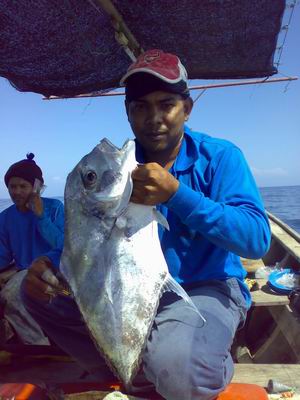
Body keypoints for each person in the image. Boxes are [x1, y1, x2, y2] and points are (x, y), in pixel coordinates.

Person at [22, 50, 271, 400]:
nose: (154, 118)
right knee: (34, 295)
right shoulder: (118, 167)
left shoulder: (220, 157)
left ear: (187, 108)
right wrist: (50, 262)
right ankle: (134, 370)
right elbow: (92, 237)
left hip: (205, 287)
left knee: (180, 370)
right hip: (125, 286)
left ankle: (186, 363)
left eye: (166, 104)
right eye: (140, 106)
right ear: (128, 112)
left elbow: (256, 239)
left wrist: (176, 194)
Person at [0, 153, 64, 345]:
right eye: (13, 186)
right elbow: (3, 255)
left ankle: (37, 346)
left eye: (23, 186)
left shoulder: (55, 208)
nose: (17, 192)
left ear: (36, 188)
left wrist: (40, 216)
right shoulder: (5, 217)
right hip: (22, 271)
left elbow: (62, 244)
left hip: (53, 269)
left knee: (13, 294)